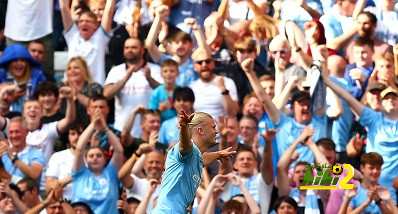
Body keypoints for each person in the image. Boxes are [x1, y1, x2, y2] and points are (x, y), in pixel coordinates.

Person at [322, 65, 398, 201]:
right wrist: (326, 80)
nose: (391, 100)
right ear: (381, 103)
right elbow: (348, 98)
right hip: (373, 183)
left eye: (394, 97)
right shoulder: (374, 119)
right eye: (386, 98)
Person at [151, 110, 236, 213]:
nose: (216, 131)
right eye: (213, 127)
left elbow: (203, 159)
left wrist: (219, 154)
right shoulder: (186, 149)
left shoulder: (195, 157)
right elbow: (184, 145)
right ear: (200, 130)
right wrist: (184, 127)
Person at [104, 37, 163, 138]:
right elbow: (106, 94)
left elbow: (165, 93)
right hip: (122, 129)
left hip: (150, 131)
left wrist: (149, 79)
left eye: (134, 47)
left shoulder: (155, 69)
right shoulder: (116, 71)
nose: (129, 50)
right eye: (127, 47)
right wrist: (125, 79)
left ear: (142, 50)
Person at [71, 104, 124, 213]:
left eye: (99, 156)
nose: (95, 158)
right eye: (91, 156)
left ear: (105, 159)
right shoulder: (79, 173)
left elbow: (119, 151)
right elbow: (80, 148)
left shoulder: (111, 173)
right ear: (86, 160)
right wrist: (93, 124)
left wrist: (105, 128)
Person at [59, 0, 114, 85]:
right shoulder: (72, 35)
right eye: (81, 21)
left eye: (88, 21)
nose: (84, 23)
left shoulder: (101, 37)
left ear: (96, 25)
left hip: (94, 87)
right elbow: (63, 7)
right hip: (71, 86)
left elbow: (109, 10)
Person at [189, 48, 239, 119]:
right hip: (200, 129)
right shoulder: (191, 87)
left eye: (208, 61)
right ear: (195, 67)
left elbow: (233, 113)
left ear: (213, 64)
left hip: (223, 128)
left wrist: (223, 89)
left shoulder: (227, 82)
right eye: (200, 62)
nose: (204, 65)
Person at [119, 143, 165, 213]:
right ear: (144, 165)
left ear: (163, 165)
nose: (154, 165)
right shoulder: (137, 183)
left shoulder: (167, 188)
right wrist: (137, 154)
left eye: (158, 162)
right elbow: (122, 176)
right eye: (151, 162)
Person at [0, 44, 46, 113]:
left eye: (22, 60)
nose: (19, 63)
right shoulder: (1, 76)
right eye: (15, 60)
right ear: (8, 63)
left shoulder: (38, 77)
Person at [58, 56, 103, 125]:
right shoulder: (60, 87)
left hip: (89, 127)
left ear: (84, 70)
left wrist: (76, 94)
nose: (72, 71)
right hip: (64, 129)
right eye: (69, 68)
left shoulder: (95, 87)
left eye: (76, 68)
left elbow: (96, 107)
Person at [0, 117, 45, 184]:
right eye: (11, 132)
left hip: (27, 193)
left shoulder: (36, 154)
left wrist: (12, 157)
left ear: (26, 132)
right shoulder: (3, 154)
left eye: (17, 132)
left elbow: (34, 174)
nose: (14, 136)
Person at [46, 121, 84, 201]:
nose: (77, 137)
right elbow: (49, 188)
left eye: (80, 133)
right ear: (68, 137)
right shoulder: (58, 156)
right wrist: (74, 176)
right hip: (64, 203)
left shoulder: (92, 157)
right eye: (73, 134)